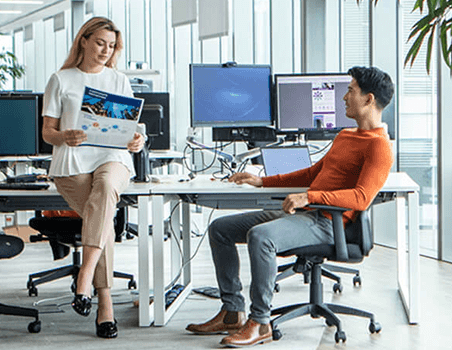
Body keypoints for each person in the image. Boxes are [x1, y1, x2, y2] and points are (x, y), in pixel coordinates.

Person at [186, 66, 394, 347]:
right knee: (220, 229)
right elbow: (311, 175)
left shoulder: (379, 146)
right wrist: (262, 182)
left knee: (261, 237)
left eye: (350, 90)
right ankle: (231, 311)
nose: (344, 97)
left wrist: (310, 197)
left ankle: (260, 322)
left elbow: (361, 198)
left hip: (328, 224)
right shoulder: (346, 136)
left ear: (369, 99)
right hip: (307, 214)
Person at [41, 16, 144, 339]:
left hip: (112, 158)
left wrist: (138, 140)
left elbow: (132, 128)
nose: (105, 50)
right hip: (73, 163)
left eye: (111, 46)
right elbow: (47, 133)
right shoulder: (61, 79)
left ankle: (90, 283)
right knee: (101, 217)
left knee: (106, 187)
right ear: (83, 40)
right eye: (100, 43)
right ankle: (102, 298)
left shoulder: (119, 80)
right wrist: (64, 136)